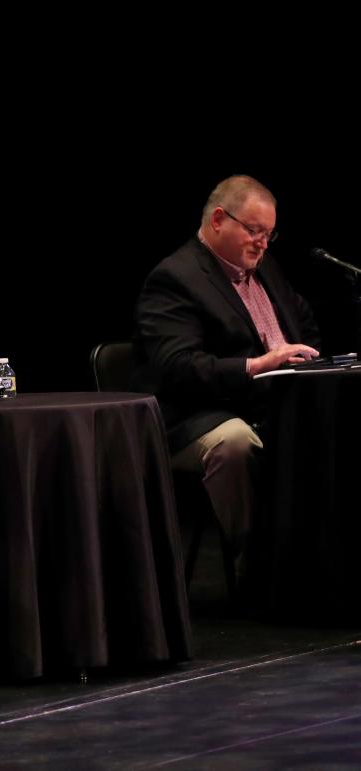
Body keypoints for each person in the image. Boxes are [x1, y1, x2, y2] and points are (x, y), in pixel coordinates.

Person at [133, 174, 321, 560]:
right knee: (235, 442)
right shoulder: (175, 278)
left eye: (269, 234)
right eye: (254, 231)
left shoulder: (266, 269)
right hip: (198, 416)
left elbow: (306, 327)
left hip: (271, 406)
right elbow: (178, 367)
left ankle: (315, 558)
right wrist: (255, 365)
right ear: (219, 219)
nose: (263, 243)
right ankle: (255, 561)